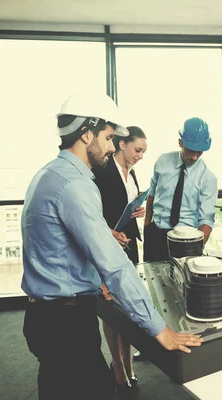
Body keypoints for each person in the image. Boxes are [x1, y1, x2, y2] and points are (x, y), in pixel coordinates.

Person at [21, 92, 202, 400]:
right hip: (66, 325)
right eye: (107, 138)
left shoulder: (49, 174)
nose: (110, 147)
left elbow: (59, 248)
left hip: (45, 318)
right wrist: (161, 330)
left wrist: (93, 279)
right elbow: (115, 266)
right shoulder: (75, 185)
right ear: (86, 133)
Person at [92, 126, 147, 393]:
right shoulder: (102, 170)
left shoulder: (132, 173)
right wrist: (109, 234)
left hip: (128, 243)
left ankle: (128, 362)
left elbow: (125, 203)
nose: (140, 156)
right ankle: (118, 364)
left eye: (144, 152)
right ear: (122, 144)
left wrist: (138, 210)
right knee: (111, 307)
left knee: (126, 305)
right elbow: (92, 212)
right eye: (138, 150)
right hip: (108, 244)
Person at [143, 117, 217, 261]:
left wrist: (196, 250)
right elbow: (152, 194)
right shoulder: (162, 161)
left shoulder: (208, 178)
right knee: (152, 279)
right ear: (180, 142)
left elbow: (206, 220)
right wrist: (147, 226)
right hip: (155, 234)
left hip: (186, 240)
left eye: (200, 152)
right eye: (191, 150)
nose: (195, 157)